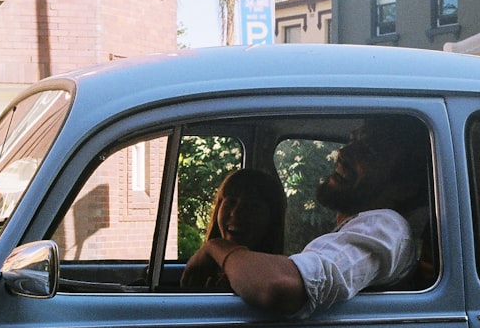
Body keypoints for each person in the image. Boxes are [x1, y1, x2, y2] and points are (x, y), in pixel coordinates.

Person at [182, 116, 430, 316]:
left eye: (368, 151)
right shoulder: (367, 227)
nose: (344, 152)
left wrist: (216, 246)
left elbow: (280, 287)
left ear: (404, 187)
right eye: (353, 140)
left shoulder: (384, 226)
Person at [181, 168, 287, 288]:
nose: (236, 213)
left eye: (252, 206)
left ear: (271, 219)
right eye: (231, 202)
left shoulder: (274, 277)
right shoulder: (207, 273)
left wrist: (212, 247)